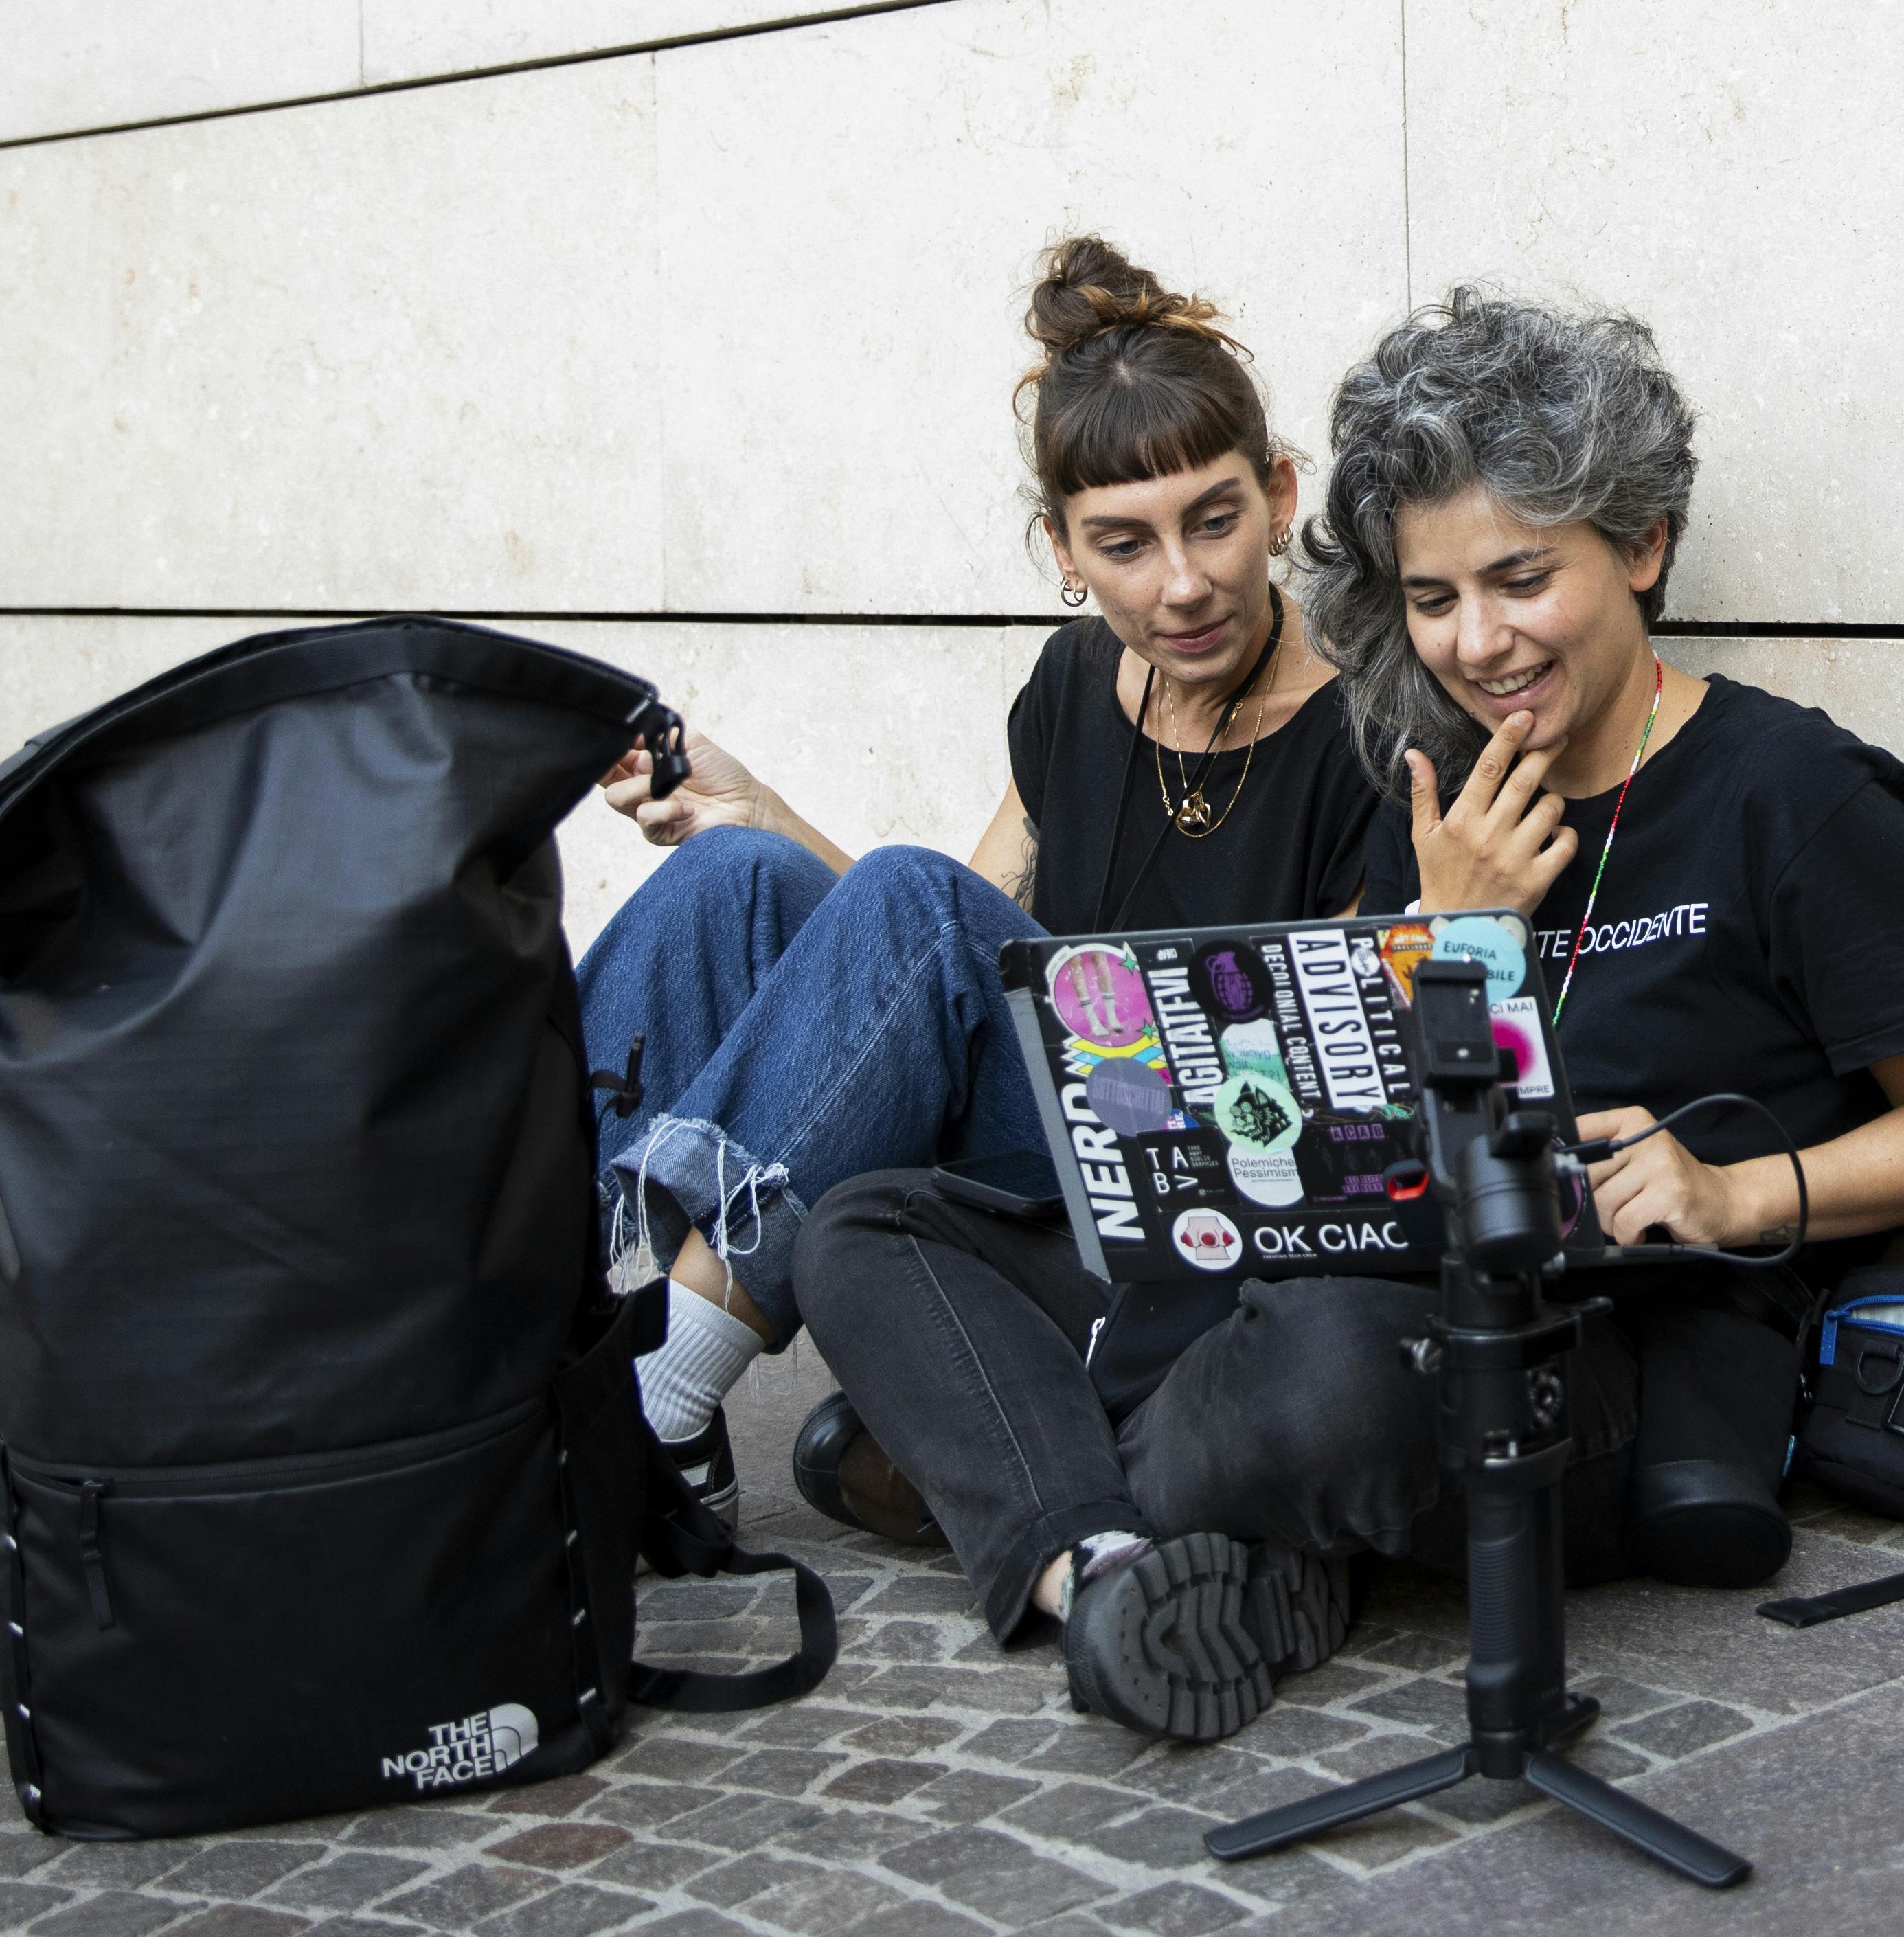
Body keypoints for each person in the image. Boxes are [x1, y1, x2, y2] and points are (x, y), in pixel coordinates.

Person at [785, 287, 1904, 1747]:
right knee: (863, 1229)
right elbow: (1361, 1145)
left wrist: (1735, 1188)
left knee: (1312, 1381)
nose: (1478, 642)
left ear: (1639, 546)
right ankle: (1117, 1561)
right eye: (1433, 600)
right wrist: (1436, 943)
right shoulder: (1427, 784)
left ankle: (1007, 1477)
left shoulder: (1791, 798)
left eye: (1519, 579)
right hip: (1352, 1277)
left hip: (1578, 1358)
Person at [573, 237, 1379, 1525]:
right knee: (733, 873)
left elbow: (1326, 1099)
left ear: (1280, 495)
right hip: (1039, 1124)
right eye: (1123, 543)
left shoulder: (1367, 740)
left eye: (1215, 520)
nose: (1182, 583)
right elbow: (942, 971)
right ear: (1062, 549)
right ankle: (498, 1314)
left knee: (908, 896)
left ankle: (657, 1401)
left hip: (1189, 1189)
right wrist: (761, 813)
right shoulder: (1074, 686)